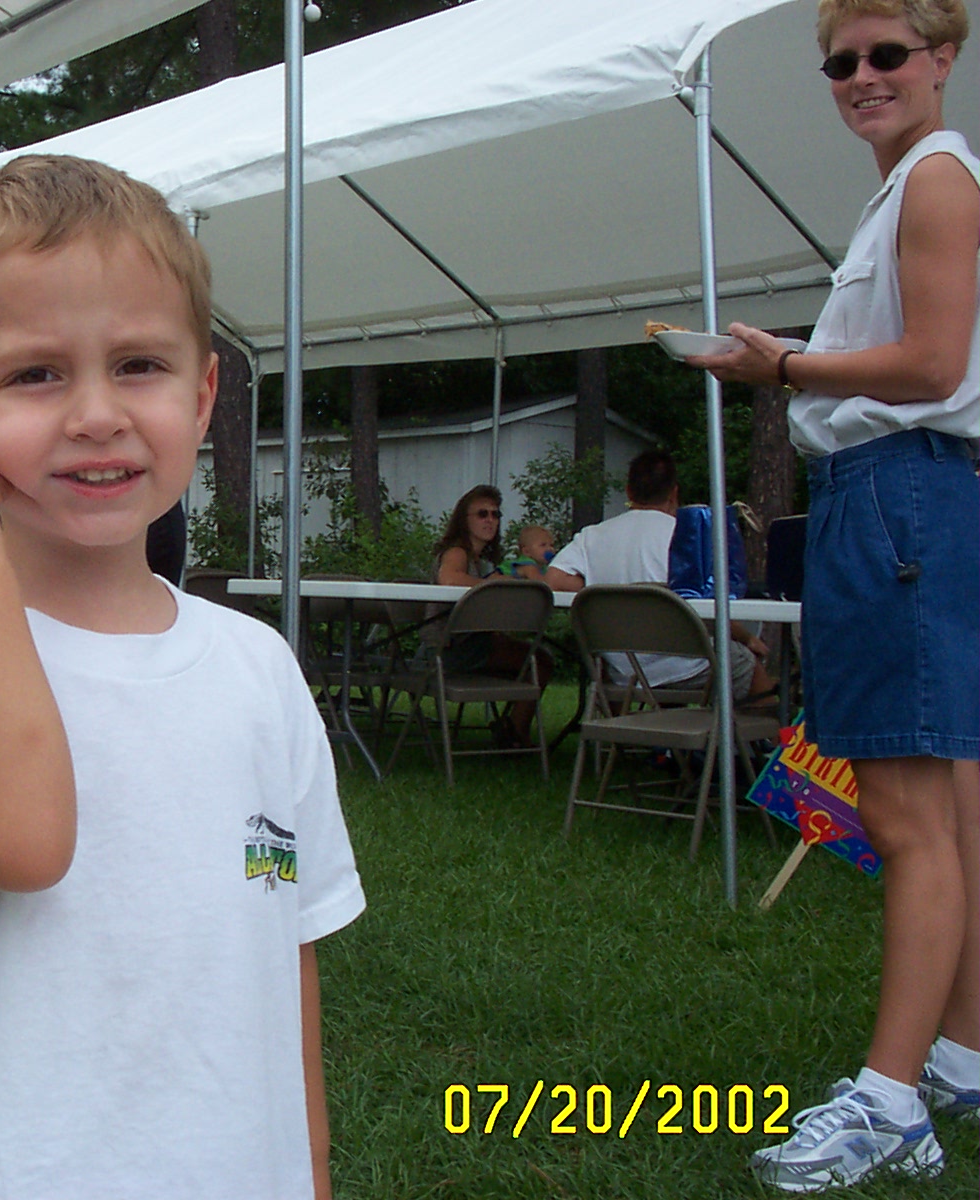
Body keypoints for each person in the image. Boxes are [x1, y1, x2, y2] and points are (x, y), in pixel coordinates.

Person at [0, 154, 366, 1198]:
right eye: (34, 375)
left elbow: (290, 955)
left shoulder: (258, 667)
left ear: (203, 395)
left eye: (139, 364)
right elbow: (21, 843)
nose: (97, 414)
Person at [695, 1, 980, 1188]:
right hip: (909, 495)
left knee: (909, 817)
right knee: (953, 806)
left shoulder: (938, 181)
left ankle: (889, 1104)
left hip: (895, 495)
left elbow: (935, 362)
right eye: (841, 62)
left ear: (943, 57)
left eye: (887, 54)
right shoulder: (911, 184)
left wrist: (787, 366)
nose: (862, 75)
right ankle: (960, 1055)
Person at [543, 449, 774, 702]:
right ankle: (769, 727)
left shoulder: (592, 536)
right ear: (674, 493)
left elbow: (553, 581)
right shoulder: (688, 538)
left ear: (629, 492)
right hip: (688, 665)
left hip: (623, 669)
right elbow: (708, 610)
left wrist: (602, 588)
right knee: (748, 665)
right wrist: (748, 638)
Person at [431, 485, 553, 746]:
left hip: (469, 644)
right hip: (452, 649)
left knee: (535, 656)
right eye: (482, 514)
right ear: (464, 520)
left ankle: (511, 728)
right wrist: (493, 585)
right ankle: (515, 733)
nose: (490, 520)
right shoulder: (457, 552)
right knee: (540, 660)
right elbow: (449, 579)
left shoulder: (483, 561)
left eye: (495, 514)